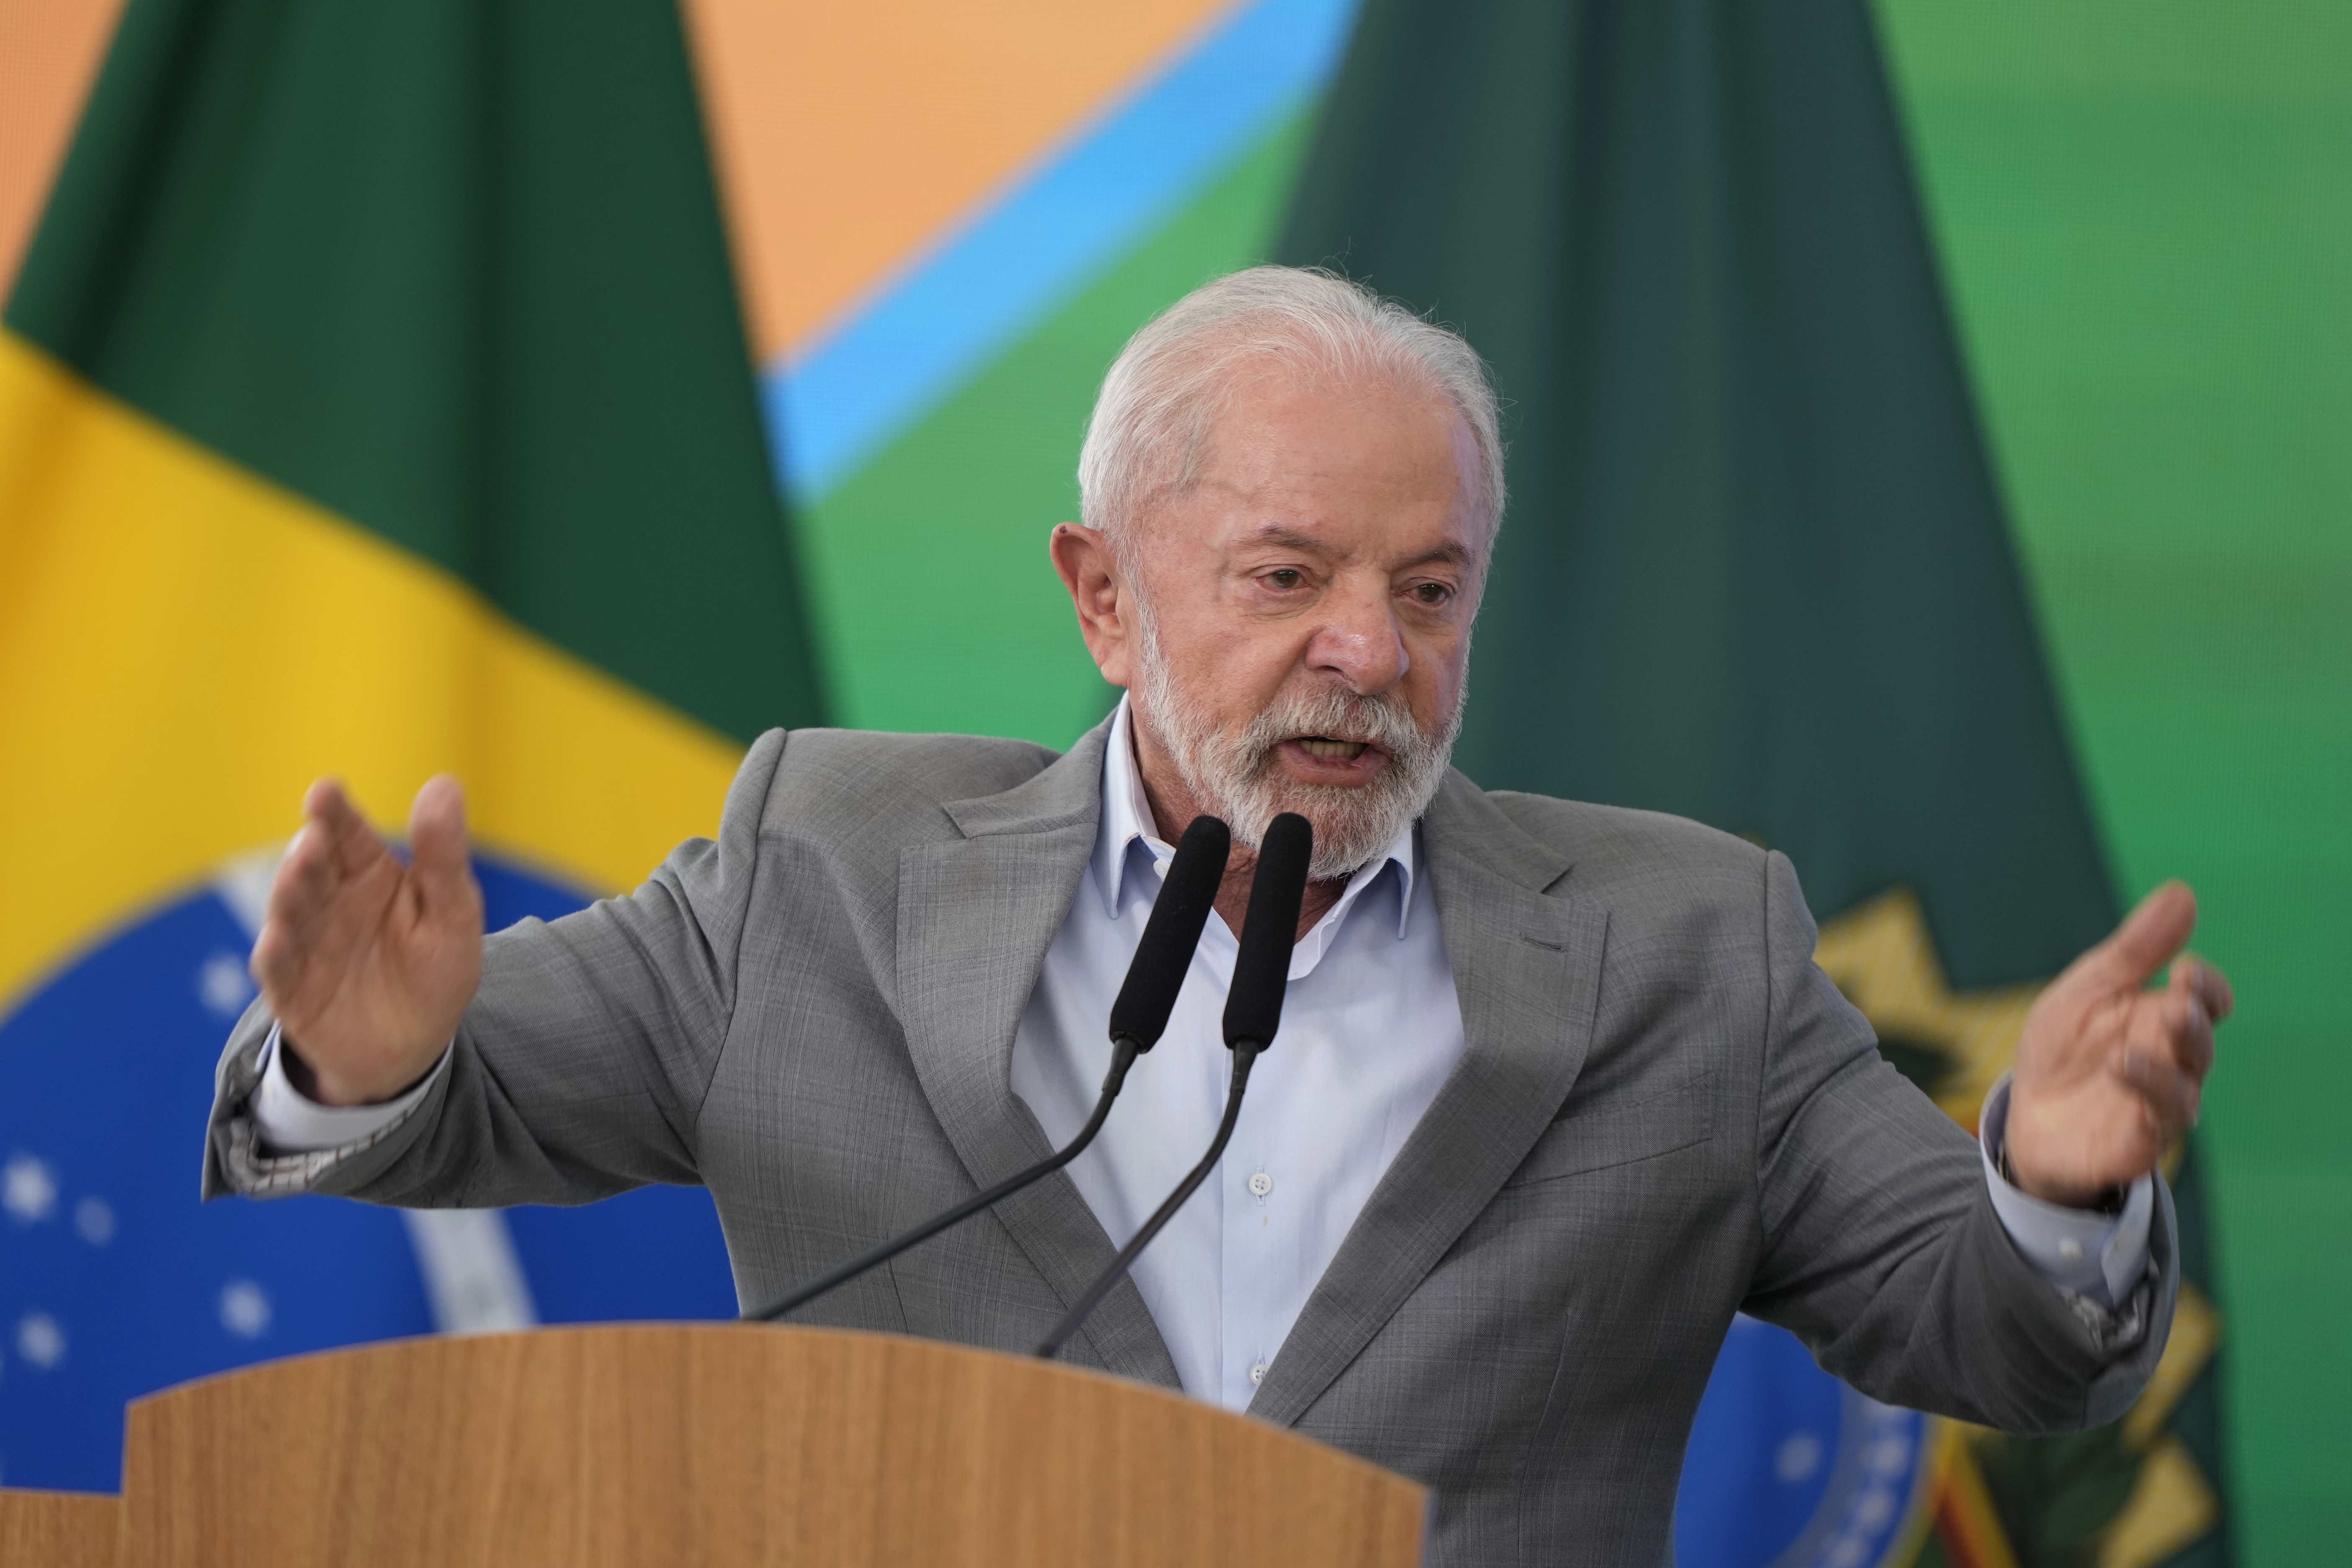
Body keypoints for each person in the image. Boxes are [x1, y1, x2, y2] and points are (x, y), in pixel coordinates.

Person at [205, 267, 2228, 1564]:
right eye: (1287, 578)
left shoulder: (1690, 947)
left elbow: (2002, 1335)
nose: (1369, 651)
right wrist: (357, 1056)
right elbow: (439, 1099)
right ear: (1104, 596)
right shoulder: (822, 867)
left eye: (1429, 591)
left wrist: (2056, 1187)